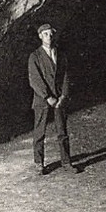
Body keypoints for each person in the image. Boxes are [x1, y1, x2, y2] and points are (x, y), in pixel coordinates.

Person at [27, 23, 78, 174]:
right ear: (40, 36)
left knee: (62, 131)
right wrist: (47, 96)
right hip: (43, 99)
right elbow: (34, 79)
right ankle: (39, 163)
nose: (49, 37)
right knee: (39, 132)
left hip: (59, 98)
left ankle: (66, 162)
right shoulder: (35, 56)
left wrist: (63, 95)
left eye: (51, 34)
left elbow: (66, 76)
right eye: (46, 34)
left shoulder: (60, 54)